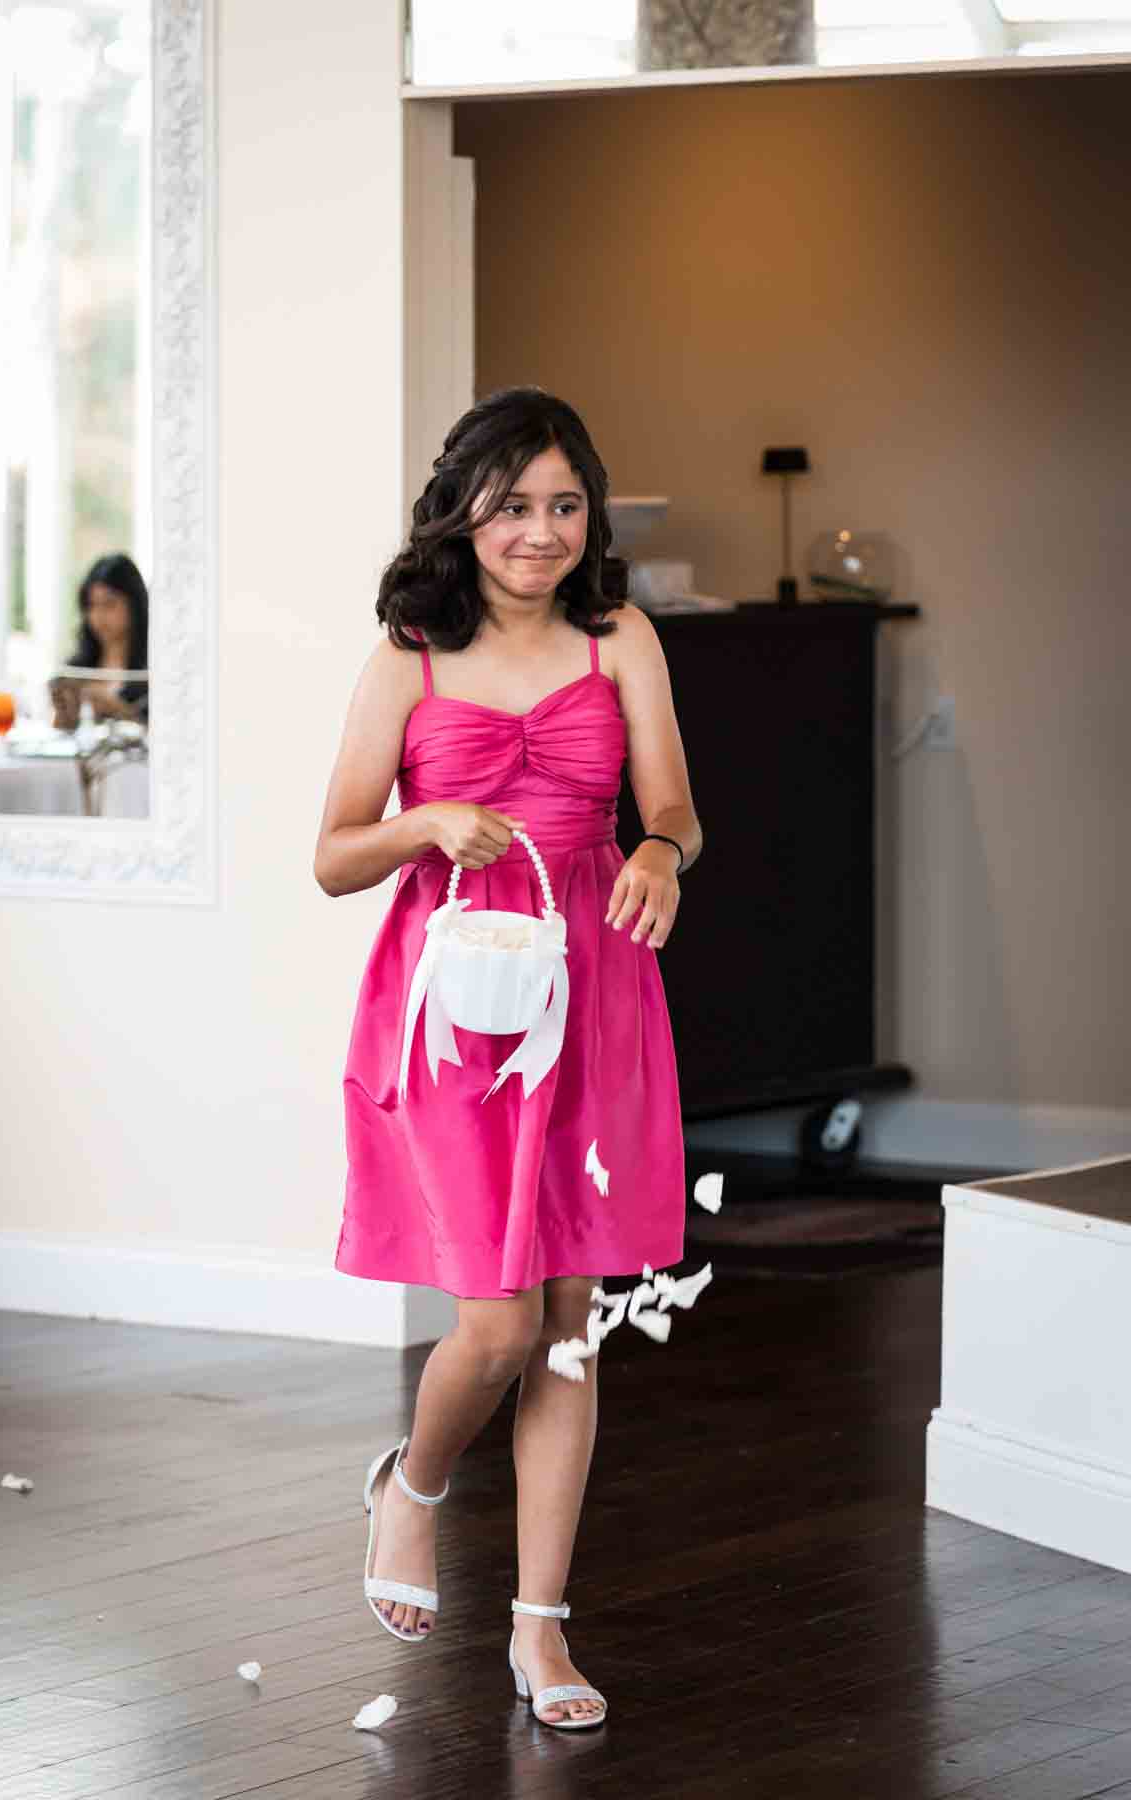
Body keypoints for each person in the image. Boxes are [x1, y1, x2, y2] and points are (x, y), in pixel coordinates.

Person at [313, 387, 702, 1729]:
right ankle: (412, 1489)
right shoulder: (407, 658)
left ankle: (542, 1629)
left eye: (562, 505)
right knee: (494, 1321)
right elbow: (331, 859)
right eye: (511, 503)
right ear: (463, 509)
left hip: (591, 993)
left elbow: (671, 805)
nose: (537, 532)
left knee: (569, 1334)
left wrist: (656, 848)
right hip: (458, 1012)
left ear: (589, 514)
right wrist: (430, 823)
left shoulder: (621, 637)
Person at [50, 553, 149, 730]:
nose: (98, 616)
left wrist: (119, 710)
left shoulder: (151, 675)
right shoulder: (76, 670)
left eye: (109, 604)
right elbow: (59, 735)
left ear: (134, 604)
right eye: (91, 605)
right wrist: (65, 711)